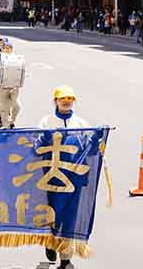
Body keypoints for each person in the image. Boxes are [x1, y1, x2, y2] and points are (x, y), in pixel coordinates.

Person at [38, 86, 90, 269]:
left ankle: (66, 258)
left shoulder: (82, 124)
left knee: (70, 218)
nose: (66, 101)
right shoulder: (46, 122)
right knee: (54, 215)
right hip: (53, 180)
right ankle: (50, 242)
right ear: (55, 101)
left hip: (74, 180)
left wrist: (99, 139)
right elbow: (37, 147)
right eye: (62, 98)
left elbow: (89, 149)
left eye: (70, 98)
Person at [0, 41, 22, 128]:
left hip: (14, 87)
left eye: (9, 48)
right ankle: (6, 126)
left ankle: (12, 120)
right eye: (5, 48)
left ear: (12, 49)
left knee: (17, 106)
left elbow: (21, 69)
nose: (7, 49)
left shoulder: (17, 58)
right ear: (3, 49)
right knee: (4, 108)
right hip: (3, 87)